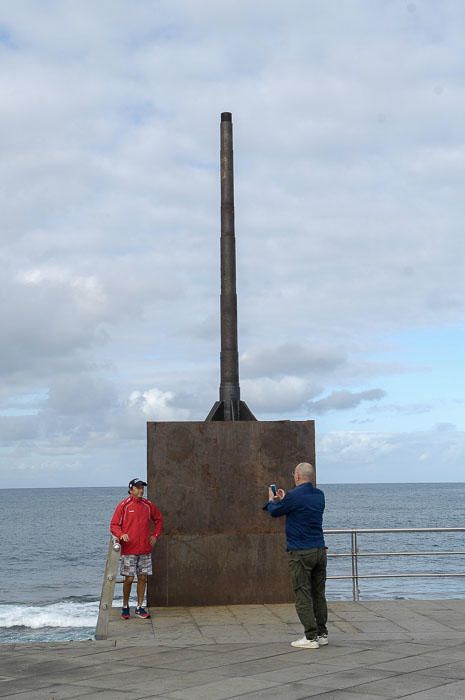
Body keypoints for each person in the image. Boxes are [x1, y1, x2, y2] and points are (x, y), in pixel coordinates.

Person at [263, 462, 328, 649]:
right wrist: (286, 499)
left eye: (294, 474)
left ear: (297, 476)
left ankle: (310, 637)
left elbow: (275, 512)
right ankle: (322, 633)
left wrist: (272, 499)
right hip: (319, 550)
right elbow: (301, 508)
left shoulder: (293, 496)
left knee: (303, 593)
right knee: (318, 594)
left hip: (301, 552)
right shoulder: (320, 495)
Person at [110, 478, 163, 620]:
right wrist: (122, 535)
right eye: (138, 488)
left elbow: (158, 519)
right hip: (129, 550)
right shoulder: (124, 505)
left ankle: (139, 607)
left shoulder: (148, 505)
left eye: (142, 488)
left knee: (143, 578)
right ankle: (125, 606)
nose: (141, 490)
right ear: (131, 489)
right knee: (128, 578)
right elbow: (114, 525)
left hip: (145, 549)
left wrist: (155, 535)